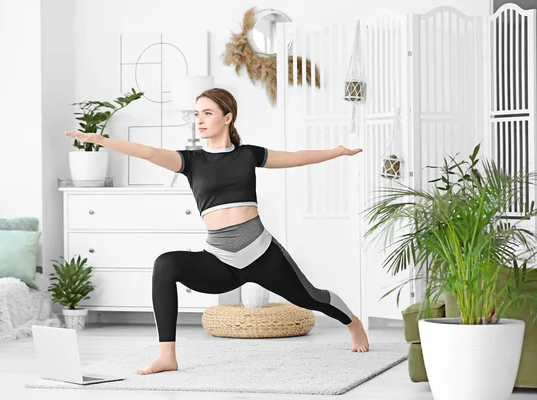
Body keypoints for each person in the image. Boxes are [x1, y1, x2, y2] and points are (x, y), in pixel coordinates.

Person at [65, 88, 368, 376]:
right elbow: (147, 152)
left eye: (207, 113)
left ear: (227, 117)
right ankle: (167, 355)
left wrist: (338, 151)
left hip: (261, 254)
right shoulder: (191, 161)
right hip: (220, 262)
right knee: (165, 264)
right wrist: (103, 141)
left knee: (311, 298)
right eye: (197, 113)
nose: (199, 120)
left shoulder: (249, 155)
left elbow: (298, 157)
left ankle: (352, 323)